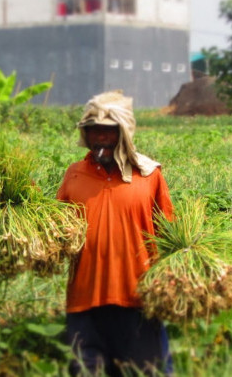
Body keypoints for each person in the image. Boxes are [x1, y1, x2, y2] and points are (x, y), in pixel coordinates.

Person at [57, 90, 174, 376]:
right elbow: (56, 231)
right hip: (84, 304)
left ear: (124, 133)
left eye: (109, 131)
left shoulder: (149, 176)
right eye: (95, 131)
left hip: (137, 304)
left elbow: (170, 234)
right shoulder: (74, 174)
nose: (101, 138)